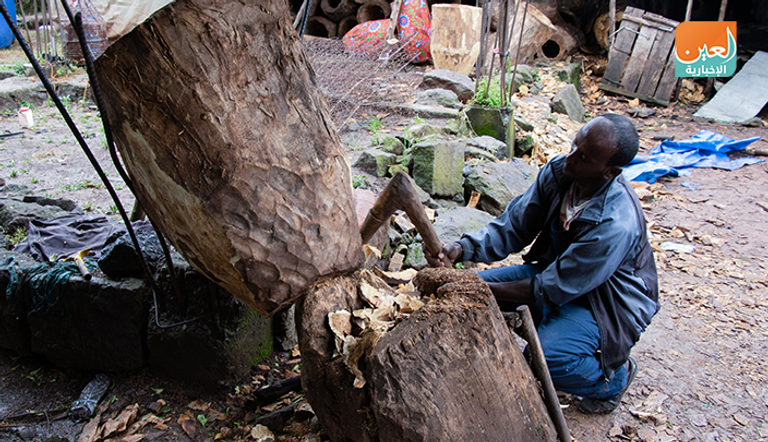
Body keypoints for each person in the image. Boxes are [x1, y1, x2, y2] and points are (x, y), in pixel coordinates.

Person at [426, 113, 659, 414]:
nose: (571, 157)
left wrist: (477, 288)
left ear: (609, 172)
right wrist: (462, 248)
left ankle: (614, 379)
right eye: (576, 143)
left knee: (545, 360)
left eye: (585, 157)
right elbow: (515, 227)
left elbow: (551, 288)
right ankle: (553, 328)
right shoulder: (561, 173)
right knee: (469, 294)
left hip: (607, 304)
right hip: (561, 276)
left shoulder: (615, 222)